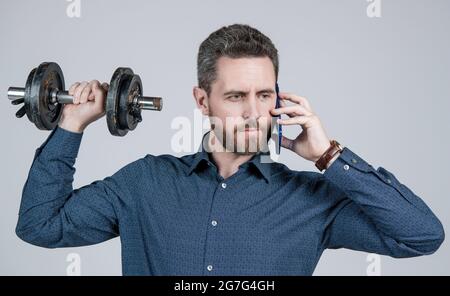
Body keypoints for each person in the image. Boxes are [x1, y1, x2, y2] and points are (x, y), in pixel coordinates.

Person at [16, 24, 444, 275]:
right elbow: (39, 227)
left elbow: (422, 236)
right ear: (203, 101)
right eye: (237, 96)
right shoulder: (144, 182)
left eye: (265, 95)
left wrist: (328, 157)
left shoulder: (312, 199)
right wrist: (71, 124)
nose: (255, 112)